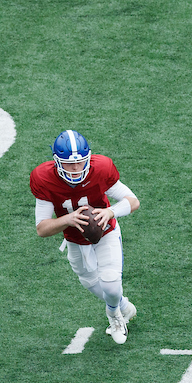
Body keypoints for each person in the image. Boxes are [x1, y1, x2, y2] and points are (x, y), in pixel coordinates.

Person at [30, 130, 140, 344]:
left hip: (105, 230)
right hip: (73, 239)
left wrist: (110, 212)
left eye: (80, 162)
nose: (75, 168)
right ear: (56, 162)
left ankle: (114, 315)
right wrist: (67, 219)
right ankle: (124, 307)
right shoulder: (43, 178)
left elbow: (133, 201)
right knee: (89, 281)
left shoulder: (101, 168)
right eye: (69, 163)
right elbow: (42, 229)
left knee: (111, 283)